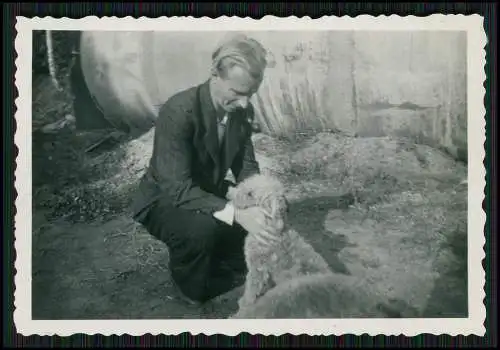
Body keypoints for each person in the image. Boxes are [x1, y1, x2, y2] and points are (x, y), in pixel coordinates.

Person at [131, 34, 273, 306]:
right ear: (214, 75)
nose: (244, 103)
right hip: (164, 199)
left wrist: (261, 199)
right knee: (203, 230)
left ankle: (219, 254)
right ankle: (188, 286)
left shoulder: (241, 111)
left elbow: (246, 166)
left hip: (205, 189)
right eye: (237, 93)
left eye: (250, 94)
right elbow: (177, 188)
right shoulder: (179, 111)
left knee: (254, 220)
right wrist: (237, 213)